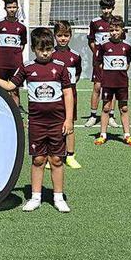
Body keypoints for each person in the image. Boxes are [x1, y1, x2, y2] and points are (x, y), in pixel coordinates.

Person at [0, 27, 74, 213]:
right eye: (41, 49)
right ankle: (35, 197)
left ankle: (58, 197)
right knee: (38, 159)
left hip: (56, 123)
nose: (45, 53)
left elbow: (68, 93)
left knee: (56, 160)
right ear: (34, 49)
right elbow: (10, 85)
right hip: (37, 123)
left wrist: (68, 119)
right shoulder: (27, 67)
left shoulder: (60, 68)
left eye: (48, 49)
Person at [94, 16, 131, 146]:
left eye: (117, 30)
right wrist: (108, 73)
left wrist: (120, 72)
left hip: (122, 82)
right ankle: (103, 134)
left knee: (123, 108)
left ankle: (127, 135)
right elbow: (99, 63)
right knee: (106, 108)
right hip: (107, 83)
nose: (114, 33)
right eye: (111, 30)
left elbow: (128, 63)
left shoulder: (127, 47)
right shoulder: (104, 46)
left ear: (122, 30)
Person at [51, 21, 83, 169]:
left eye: (66, 35)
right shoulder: (50, 54)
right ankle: (53, 154)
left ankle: (70, 155)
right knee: (53, 125)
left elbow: (76, 75)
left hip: (70, 95)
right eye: (59, 35)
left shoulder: (75, 56)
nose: (63, 38)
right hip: (53, 96)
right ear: (54, 36)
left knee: (70, 124)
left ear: (70, 36)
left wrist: (68, 88)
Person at [84, 0, 119, 128]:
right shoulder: (95, 22)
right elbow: (91, 41)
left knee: (112, 88)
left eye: (108, 8)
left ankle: (111, 116)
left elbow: (121, 40)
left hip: (113, 62)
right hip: (99, 62)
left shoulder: (116, 23)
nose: (106, 11)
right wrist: (98, 54)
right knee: (97, 87)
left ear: (112, 8)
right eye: (103, 8)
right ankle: (93, 116)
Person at [0, 0, 26, 106]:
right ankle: (0, 111)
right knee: (0, 89)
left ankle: (16, 115)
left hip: (15, 64)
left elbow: (22, 45)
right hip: (1, 63)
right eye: (9, 7)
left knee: (15, 90)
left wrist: (14, 56)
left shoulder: (22, 27)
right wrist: (0, 57)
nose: (12, 9)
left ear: (17, 8)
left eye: (14, 7)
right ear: (5, 8)